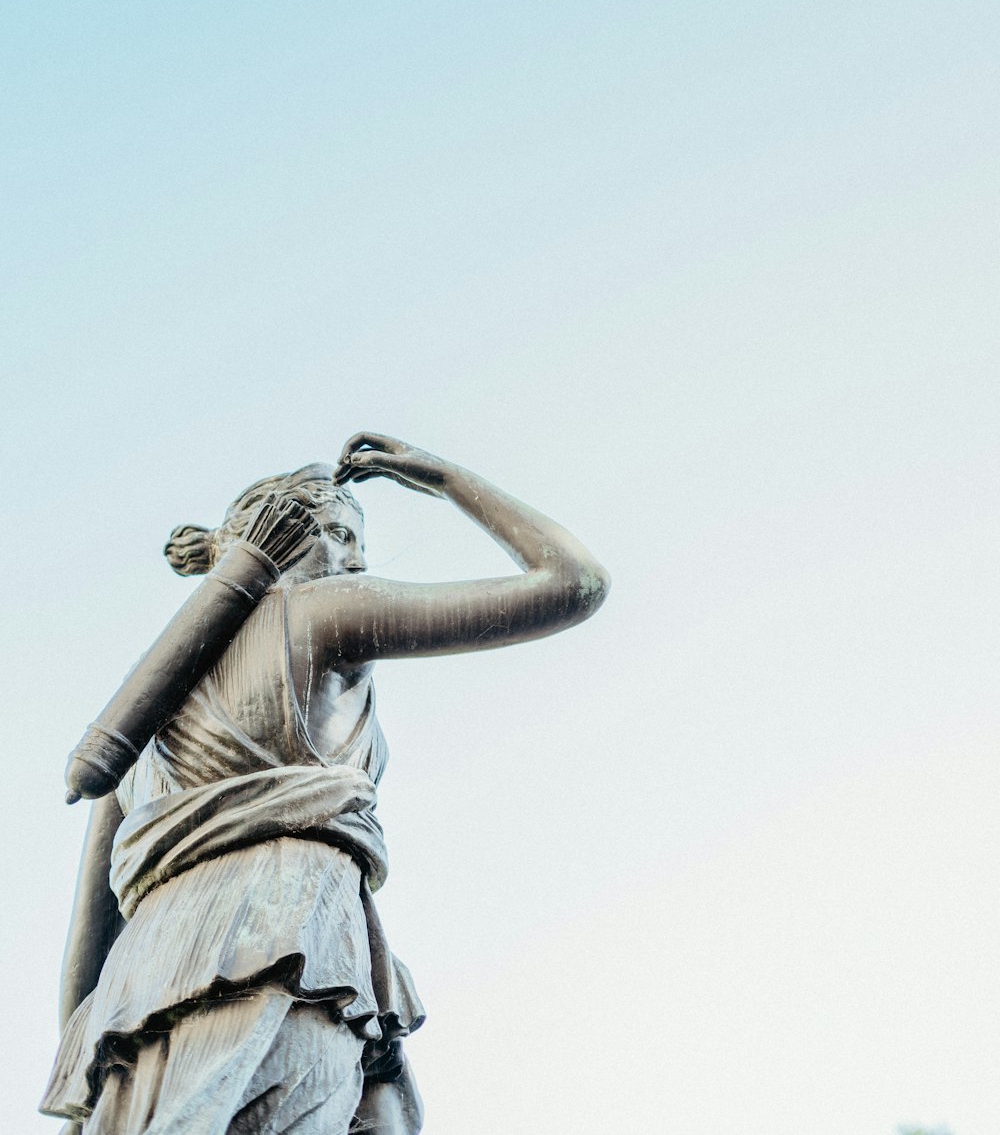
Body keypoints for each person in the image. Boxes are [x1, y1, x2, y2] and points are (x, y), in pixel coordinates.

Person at [42, 432, 610, 1135]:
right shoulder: (317, 614)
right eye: (341, 533)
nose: (358, 560)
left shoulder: (137, 721)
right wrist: (442, 478)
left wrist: (95, 1068)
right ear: (269, 539)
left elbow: (83, 963)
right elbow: (571, 583)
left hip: (135, 998)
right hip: (283, 947)